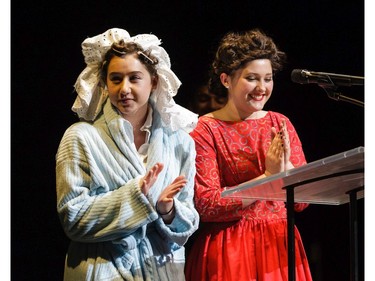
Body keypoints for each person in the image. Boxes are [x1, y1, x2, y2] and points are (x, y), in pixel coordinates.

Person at [55, 28, 200, 281]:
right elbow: (73, 218)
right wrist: (136, 196)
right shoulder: (81, 137)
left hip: (162, 270)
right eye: (115, 79)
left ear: (153, 81)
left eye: (134, 78)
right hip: (103, 270)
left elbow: (187, 223)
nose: (124, 88)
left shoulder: (180, 142)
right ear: (104, 83)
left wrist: (168, 211)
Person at [185, 28, 313, 281]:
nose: (261, 88)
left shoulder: (280, 122)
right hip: (230, 248)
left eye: (268, 79)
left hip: (279, 244)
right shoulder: (204, 130)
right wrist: (268, 177)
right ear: (226, 80)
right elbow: (207, 205)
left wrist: (286, 172)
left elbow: (301, 202)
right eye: (252, 78)